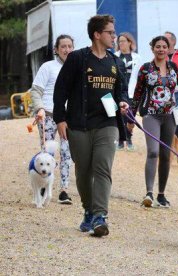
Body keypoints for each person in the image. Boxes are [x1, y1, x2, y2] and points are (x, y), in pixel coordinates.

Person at [53, 14, 129, 237]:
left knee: (102, 168)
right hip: (79, 125)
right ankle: (88, 210)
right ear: (97, 34)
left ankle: (99, 216)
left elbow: (122, 91)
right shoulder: (77, 59)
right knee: (84, 172)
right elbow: (61, 91)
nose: (114, 37)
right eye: (110, 32)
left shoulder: (116, 62)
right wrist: (60, 119)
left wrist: (124, 101)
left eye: (114, 33)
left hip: (108, 124)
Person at [127, 35, 178, 208]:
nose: (161, 49)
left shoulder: (174, 68)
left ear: (168, 49)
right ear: (152, 49)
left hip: (169, 116)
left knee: (166, 155)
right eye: (157, 46)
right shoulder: (145, 69)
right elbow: (137, 93)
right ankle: (149, 193)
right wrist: (131, 116)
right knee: (153, 152)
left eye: (164, 46)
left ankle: (161, 194)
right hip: (151, 115)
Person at [30, 34, 74, 205]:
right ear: (56, 49)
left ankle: (64, 190)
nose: (67, 50)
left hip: (67, 117)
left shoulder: (77, 68)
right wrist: (39, 108)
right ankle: (43, 185)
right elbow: (36, 91)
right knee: (47, 154)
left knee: (66, 152)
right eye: (63, 46)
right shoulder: (48, 67)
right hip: (47, 115)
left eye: (70, 46)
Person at [115, 32, 142, 151]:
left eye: (123, 41)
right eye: (119, 41)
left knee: (131, 117)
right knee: (120, 116)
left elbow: (140, 76)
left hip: (132, 91)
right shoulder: (114, 56)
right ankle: (121, 140)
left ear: (130, 42)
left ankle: (129, 137)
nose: (121, 43)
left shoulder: (137, 57)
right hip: (119, 91)